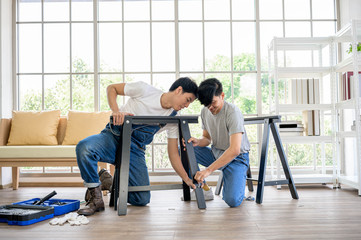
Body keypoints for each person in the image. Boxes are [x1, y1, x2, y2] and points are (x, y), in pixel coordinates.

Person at [76, 77, 198, 216]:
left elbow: (173, 153)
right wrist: (116, 111)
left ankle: (108, 182)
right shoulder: (144, 90)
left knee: (141, 199)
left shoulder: (173, 117)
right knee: (84, 148)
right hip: (112, 137)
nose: (187, 105)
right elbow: (112, 88)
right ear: (179, 90)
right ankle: (96, 197)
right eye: (188, 100)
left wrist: (186, 179)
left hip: (135, 150)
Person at [187, 78, 251, 207]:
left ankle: (236, 184)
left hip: (236, 159)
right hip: (216, 153)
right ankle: (204, 189)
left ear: (222, 96)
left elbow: (234, 150)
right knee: (182, 149)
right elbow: (207, 139)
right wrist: (198, 142)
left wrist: (208, 170)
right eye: (206, 105)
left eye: (213, 103)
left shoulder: (232, 112)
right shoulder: (205, 111)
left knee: (232, 201)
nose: (210, 107)